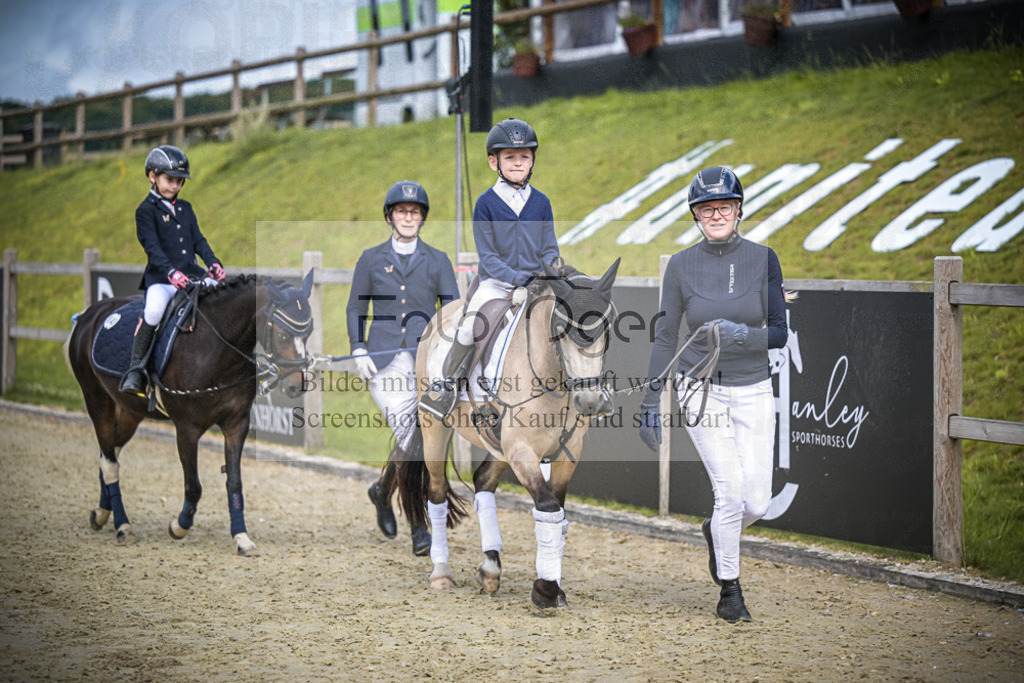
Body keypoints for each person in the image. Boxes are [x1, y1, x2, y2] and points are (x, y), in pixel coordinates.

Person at [638, 166, 788, 623]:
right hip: (700, 389)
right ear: (696, 216)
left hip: (754, 387)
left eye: (724, 206)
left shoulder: (765, 258)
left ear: (739, 210)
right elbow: (666, 337)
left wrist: (742, 334)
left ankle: (715, 533)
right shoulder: (681, 266)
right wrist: (651, 399)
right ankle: (730, 591)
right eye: (707, 209)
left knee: (757, 503)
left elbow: (779, 333)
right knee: (730, 494)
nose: (716, 214)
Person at [419, 117, 559, 419]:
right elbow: (489, 257)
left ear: (533, 160)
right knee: (471, 325)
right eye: (510, 157)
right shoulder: (485, 203)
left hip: (537, 284)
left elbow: (550, 247)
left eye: (524, 157)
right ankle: (448, 387)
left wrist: (553, 268)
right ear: (494, 162)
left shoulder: (542, 202)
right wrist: (517, 279)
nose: (518, 163)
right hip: (496, 283)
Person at [347, 180, 459, 556]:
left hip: (427, 360)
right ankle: (419, 529)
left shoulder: (438, 259)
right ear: (390, 216)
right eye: (401, 211)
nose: (408, 217)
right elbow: (355, 309)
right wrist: (358, 347)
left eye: (414, 212)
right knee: (414, 438)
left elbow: (453, 308)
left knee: (417, 439)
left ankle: (382, 490)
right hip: (383, 361)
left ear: (422, 217)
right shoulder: (370, 259)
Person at [120, 145, 225, 396]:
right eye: (169, 180)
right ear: (153, 177)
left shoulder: (186, 208)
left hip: (193, 275)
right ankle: (136, 369)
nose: (175, 186)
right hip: (162, 279)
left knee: (223, 300)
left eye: (179, 181)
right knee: (154, 311)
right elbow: (152, 248)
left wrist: (213, 262)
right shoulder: (145, 211)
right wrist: (170, 273)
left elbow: (198, 240)